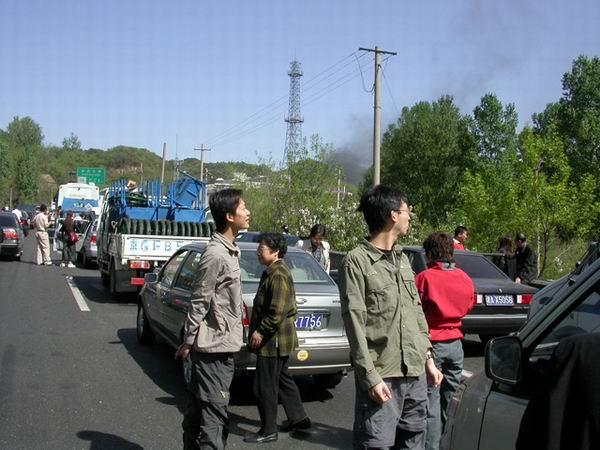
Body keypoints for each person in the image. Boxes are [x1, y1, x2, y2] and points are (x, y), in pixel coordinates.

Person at [339, 185, 443, 450]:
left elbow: (416, 313)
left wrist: (428, 360)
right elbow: (354, 325)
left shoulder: (403, 260)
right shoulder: (356, 262)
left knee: (413, 442)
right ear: (393, 215)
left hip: (415, 373)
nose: (410, 217)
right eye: (407, 211)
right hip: (383, 375)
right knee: (375, 444)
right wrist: (370, 378)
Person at [175, 188, 251, 450]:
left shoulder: (230, 250)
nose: (248, 212)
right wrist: (189, 340)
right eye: (243, 208)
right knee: (214, 418)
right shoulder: (216, 254)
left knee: (199, 413)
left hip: (220, 346)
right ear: (229, 216)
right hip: (213, 350)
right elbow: (200, 299)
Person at [245, 232, 310, 444]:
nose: (258, 252)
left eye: (261, 248)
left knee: (264, 386)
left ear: (275, 252)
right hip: (277, 339)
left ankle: (268, 430)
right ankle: (299, 420)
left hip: (273, 341)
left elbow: (277, 312)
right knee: (283, 379)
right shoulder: (273, 271)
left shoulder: (278, 274)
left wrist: (260, 331)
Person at [414, 232, 476, 450]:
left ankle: (431, 446)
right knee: (450, 401)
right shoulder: (465, 278)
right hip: (456, 344)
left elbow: (414, 310)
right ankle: (447, 443)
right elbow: (469, 305)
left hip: (432, 345)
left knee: (430, 402)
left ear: (431, 253)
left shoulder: (425, 278)